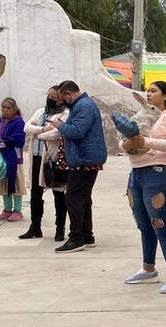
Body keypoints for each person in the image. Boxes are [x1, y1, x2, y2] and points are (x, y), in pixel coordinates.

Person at [121, 81, 166, 294]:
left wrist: (144, 142)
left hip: (160, 174)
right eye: (147, 91)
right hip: (137, 174)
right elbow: (125, 142)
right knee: (144, 224)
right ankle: (148, 268)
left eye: (154, 91)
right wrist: (128, 145)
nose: (149, 94)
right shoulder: (140, 115)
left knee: (160, 223)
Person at [45, 80, 107, 253]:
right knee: (83, 199)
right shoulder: (81, 105)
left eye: (61, 98)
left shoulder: (84, 106)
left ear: (69, 94)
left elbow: (77, 131)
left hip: (83, 160)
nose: (61, 102)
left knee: (73, 199)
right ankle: (87, 236)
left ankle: (76, 238)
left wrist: (60, 125)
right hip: (84, 159)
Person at [20, 86, 68, 241]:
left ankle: (60, 229)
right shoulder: (41, 112)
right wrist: (42, 129)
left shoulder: (65, 114)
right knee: (35, 194)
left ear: (60, 98)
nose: (50, 99)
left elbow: (56, 134)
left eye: (53, 96)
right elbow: (26, 127)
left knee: (58, 194)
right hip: (35, 157)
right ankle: (35, 227)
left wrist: (39, 134)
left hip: (52, 159)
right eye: (48, 95)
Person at [0, 98, 26, 222]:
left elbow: (17, 139)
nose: (5, 110)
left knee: (15, 184)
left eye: (8, 108)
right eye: (3, 107)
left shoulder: (18, 122)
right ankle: (7, 210)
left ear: (14, 109)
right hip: (1, 158)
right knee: (3, 183)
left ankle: (18, 211)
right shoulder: (0, 121)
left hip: (14, 158)